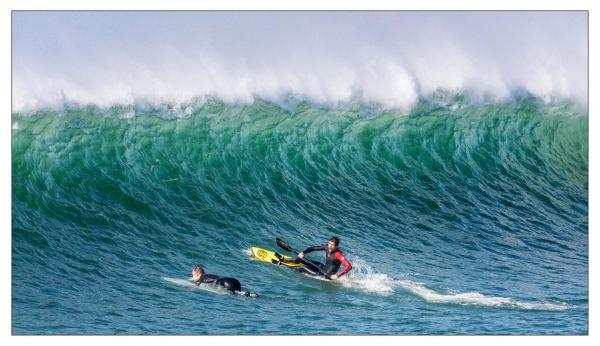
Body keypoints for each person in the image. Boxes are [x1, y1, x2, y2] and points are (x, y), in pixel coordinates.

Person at [279, 236, 352, 280]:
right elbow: (313, 248)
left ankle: (282, 264)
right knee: (302, 258)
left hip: (325, 276)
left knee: (302, 267)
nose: (329, 246)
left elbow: (349, 266)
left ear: (336, 246)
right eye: (329, 243)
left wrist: (337, 275)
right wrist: (303, 252)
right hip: (322, 268)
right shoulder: (327, 247)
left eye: (332, 245)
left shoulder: (338, 254)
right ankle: (286, 260)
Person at [191, 265, 258, 298]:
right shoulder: (209, 275)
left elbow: (197, 283)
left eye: (193, 275)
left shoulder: (201, 278)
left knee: (235, 293)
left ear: (197, 274)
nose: (193, 277)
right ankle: (248, 293)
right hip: (234, 280)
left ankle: (246, 294)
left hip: (226, 282)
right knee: (237, 292)